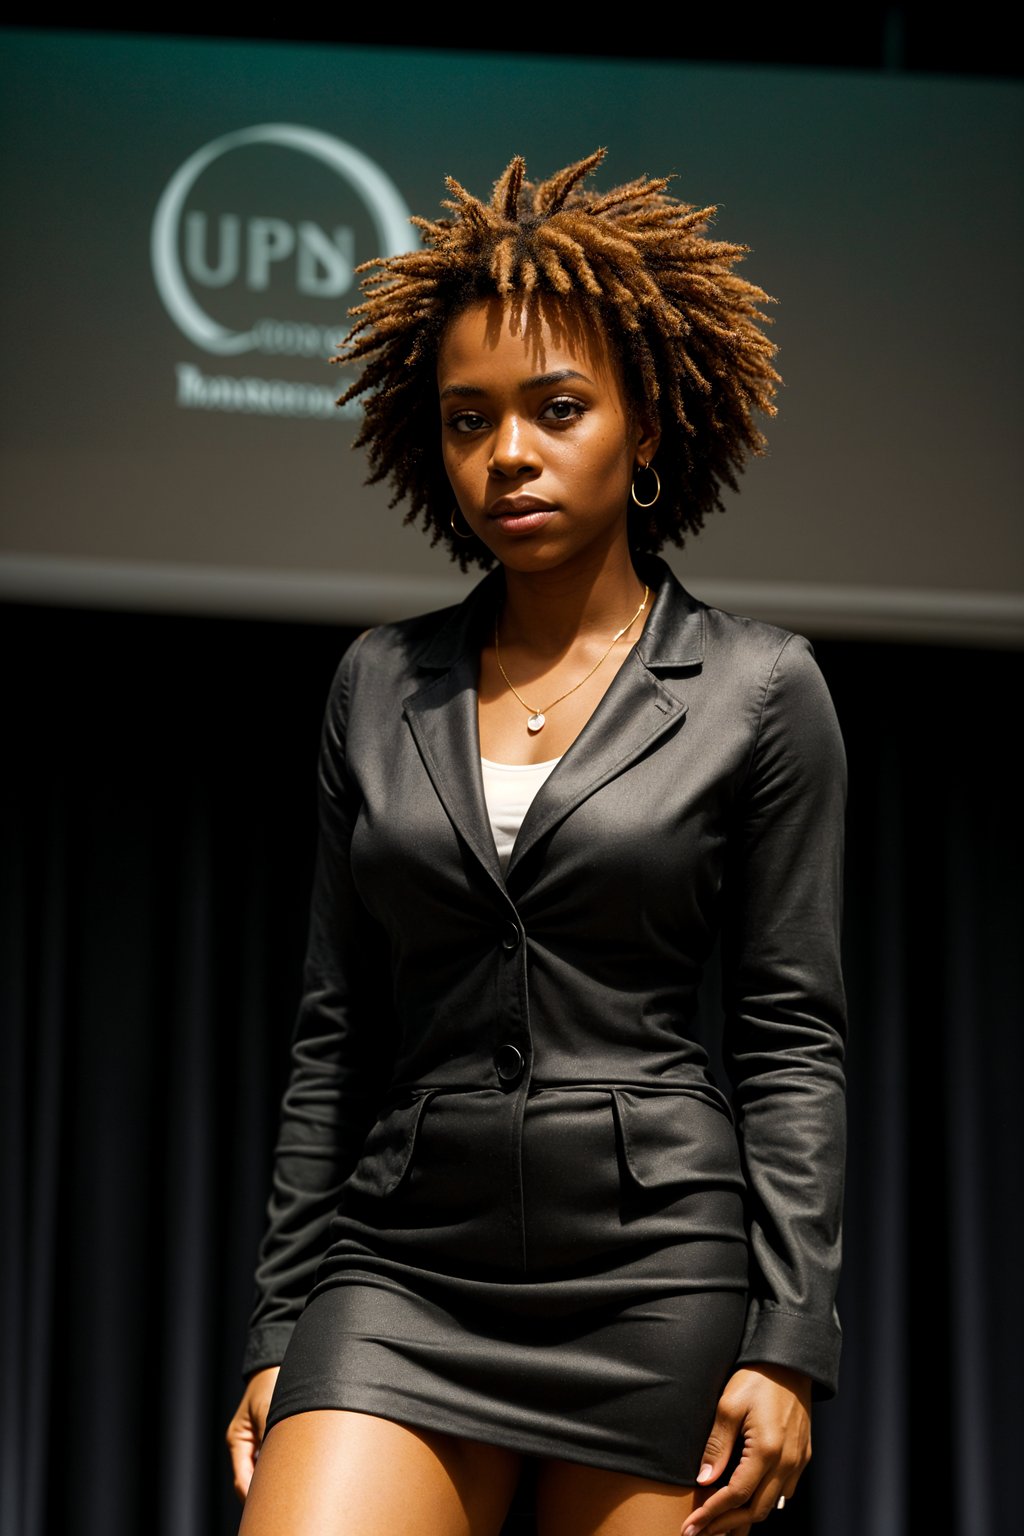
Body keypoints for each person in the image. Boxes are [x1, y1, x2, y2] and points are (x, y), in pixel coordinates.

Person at [226, 149, 847, 1536]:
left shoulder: (759, 689)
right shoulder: (378, 683)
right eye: (467, 419)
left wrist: (789, 1334)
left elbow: (792, 1036)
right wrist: (279, 1324)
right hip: (399, 1271)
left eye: (557, 408)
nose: (508, 452)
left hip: (652, 1280)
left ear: (645, 431)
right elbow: (337, 1035)